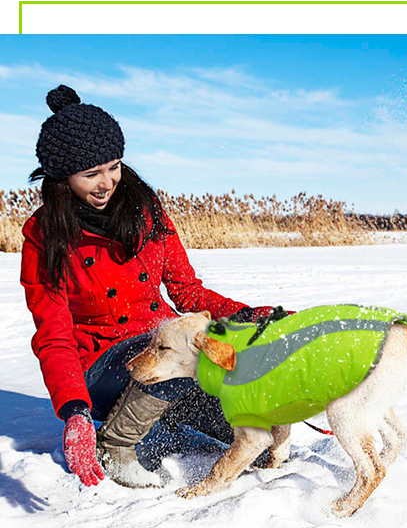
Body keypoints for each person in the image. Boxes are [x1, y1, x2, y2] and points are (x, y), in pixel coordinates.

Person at [21, 85, 281, 488]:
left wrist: (250, 315)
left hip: (163, 344)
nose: (107, 182)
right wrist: (74, 410)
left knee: (255, 441)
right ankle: (117, 442)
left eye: (114, 166)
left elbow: (188, 293)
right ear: (62, 178)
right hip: (103, 360)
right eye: (91, 174)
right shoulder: (46, 234)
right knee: (174, 357)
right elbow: (53, 334)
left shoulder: (147, 211)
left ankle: (172, 410)